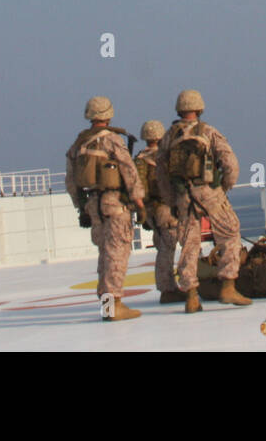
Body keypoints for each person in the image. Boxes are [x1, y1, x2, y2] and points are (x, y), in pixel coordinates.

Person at [155, 89, 250, 312]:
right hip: (209, 192)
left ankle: (191, 296)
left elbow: (161, 173)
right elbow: (230, 164)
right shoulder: (208, 132)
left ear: (179, 109)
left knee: (189, 244)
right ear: (199, 108)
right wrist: (222, 187)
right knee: (230, 232)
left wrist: (172, 200)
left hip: (183, 197)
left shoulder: (169, 136)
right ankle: (228, 286)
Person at [64, 96, 146, 322]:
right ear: (108, 115)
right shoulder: (112, 140)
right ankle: (114, 305)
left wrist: (82, 209)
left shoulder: (78, 144)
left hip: (93, 205)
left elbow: (71, 182)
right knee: (117, 254)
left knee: (104, 255)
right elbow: (129, 171)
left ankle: (107, 305)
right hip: (115, 204)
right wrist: (139, 203)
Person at [135, 119, 183, 303]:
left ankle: (167, 287)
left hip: (149, 210)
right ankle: (168, 289)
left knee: (162, 247)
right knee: (167, 248)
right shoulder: (163, 158)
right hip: (165, 209)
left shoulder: (138, 159)